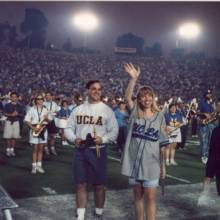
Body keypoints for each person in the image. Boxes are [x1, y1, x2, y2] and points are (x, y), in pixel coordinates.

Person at [64, 80, 118, 220]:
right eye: (93, 88)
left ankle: (98, 213)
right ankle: (80, 216)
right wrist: (73, 138)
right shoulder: (78, 109)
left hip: (98, 150)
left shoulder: (107, 110)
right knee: (80, 183)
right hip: (81, 150)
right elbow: (68, 128)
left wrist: (103, 139)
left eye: (99, 89)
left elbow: (114, 132)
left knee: (99, 184)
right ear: (87, 90)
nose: (97, 91)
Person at [121, 63, 167, 220]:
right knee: (137, 198)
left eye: (149, 95)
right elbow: (127, 97)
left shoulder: (160, 116)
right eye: (143, 96)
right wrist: (133, 79)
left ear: (153, 98)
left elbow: (162, 145)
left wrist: (163, 167)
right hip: (134, 163)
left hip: (151, 164)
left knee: (151, 199)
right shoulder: (135, 113)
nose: (147, 98)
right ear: (139, 99)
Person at [24, 94, 49, 174]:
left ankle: (39, 166)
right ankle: (34, 167)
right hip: (34, 130)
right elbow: (26, 120)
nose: (40, 100)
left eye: (41, 99)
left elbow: (49, 121)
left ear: (43, 100)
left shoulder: (45, 110)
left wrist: (47, 118)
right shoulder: (32, 109)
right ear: (36, 100)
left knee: (41, 149)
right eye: (38, 99)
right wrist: (33, 128)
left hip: (43, 129)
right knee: (35, 149)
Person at [198, 90, 216, 164]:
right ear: (205, 95)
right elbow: (197, 112)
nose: (209, 95)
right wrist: (204, 113)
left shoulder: (212, 103)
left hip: (211, 123)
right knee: (204, 140)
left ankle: (208, 155)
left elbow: (214, 113)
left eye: (210, 94)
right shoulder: (201, 102)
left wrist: (214, 112)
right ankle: (204, 156)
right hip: (204, 123)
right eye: (208, 94)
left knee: (210, 140)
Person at [3, 92, 23, 157]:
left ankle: (12, 150)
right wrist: (11, 114)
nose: (14, 98)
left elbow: (23, 114)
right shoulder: (7, 105)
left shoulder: (20, 105)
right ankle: (8, 150)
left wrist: (18, 114)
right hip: (9, 121)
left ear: (17, 98)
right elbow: (4, 113)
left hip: (16, 122)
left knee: (14, 137)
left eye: (15, 97)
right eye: (12, 97)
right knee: (8, 137)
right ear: (10, 97)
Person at [44, 92, 60, 156]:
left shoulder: (54, 104)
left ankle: (52, 148)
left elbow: (57, 112)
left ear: (51, 96)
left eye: (48, 95)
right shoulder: (43, 103)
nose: (47, 97)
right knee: (45, 136)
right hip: (44, 121)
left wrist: (55, 114)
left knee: (52, 136)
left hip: (52, 121)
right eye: (46, 95)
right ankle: (46, 149)